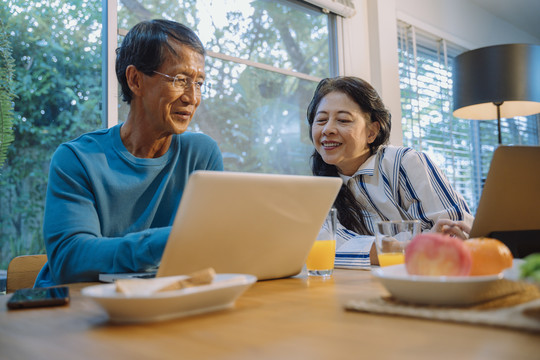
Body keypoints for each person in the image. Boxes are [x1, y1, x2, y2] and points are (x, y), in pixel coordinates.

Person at [35, 19, 223, 286]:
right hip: (78, 310)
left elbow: (213, 247)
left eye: (199, 83)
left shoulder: (202, 155)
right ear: (135, 80)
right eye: (181, 80)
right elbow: (70, 258)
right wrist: (174, 240)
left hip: (158, 304)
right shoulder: (77, 159)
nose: (192, 97)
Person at [307, 76, 474, 265]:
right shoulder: (319, 190)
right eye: (320, 120)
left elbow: (457, 232)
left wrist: (378, 249)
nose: (328, 129)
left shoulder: (406, 163)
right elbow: (327, 248)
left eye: (343, 120)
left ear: (372, 132)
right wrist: (415, 245)